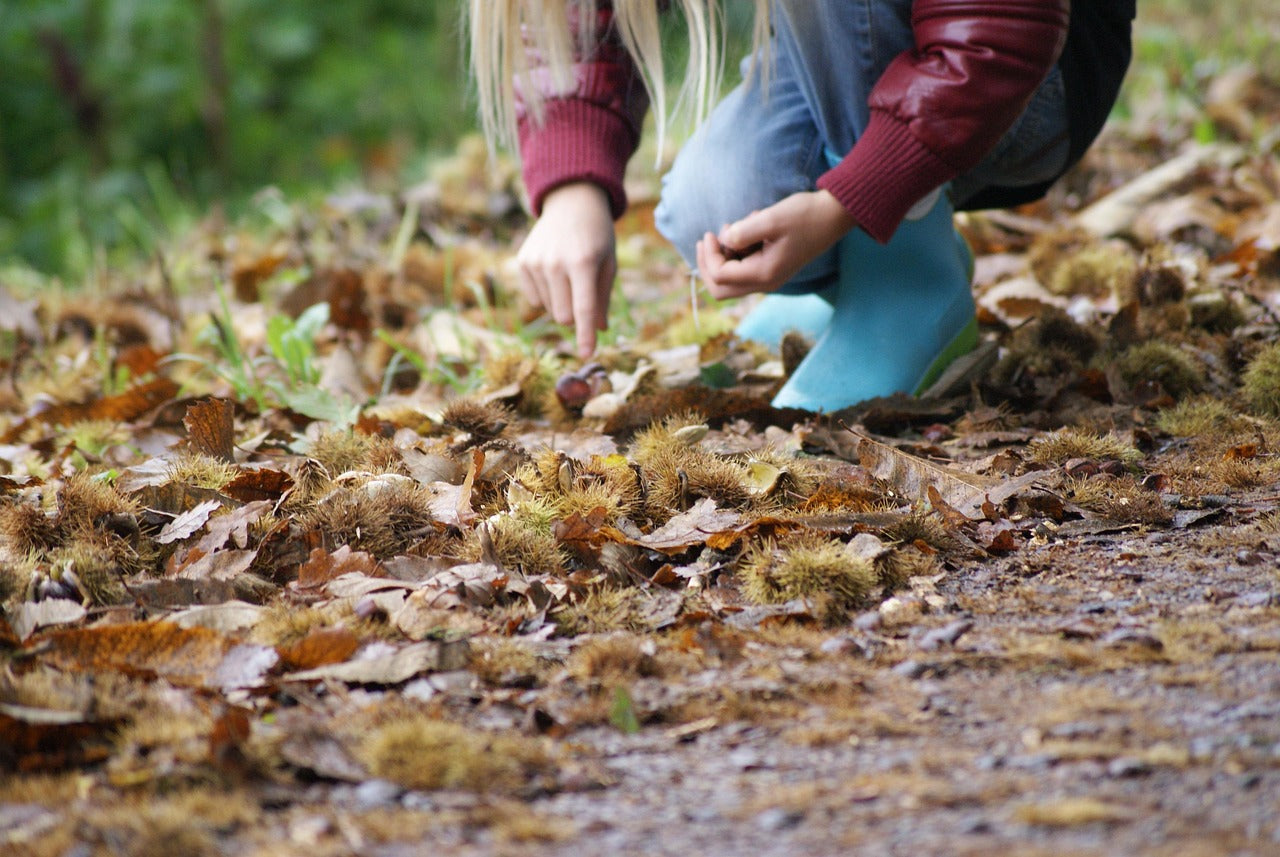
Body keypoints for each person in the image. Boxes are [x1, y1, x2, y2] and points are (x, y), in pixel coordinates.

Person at [467, 0, 1135, 412]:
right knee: (713, 207)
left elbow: (998, 32)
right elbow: (578, 17)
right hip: (883, 54)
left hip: (1030, 71)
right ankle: (855, 269)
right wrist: (571, 189)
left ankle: (905, 278)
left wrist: (853, 199)